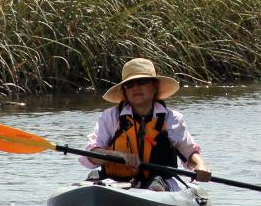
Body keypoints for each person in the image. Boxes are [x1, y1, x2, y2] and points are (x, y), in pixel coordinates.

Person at [79, 58, 211, 191]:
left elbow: (189, 153)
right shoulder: (110, 117)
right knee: (93, 177)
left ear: (155, 86)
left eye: (142, 81)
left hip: (159, 183)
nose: (135, 87)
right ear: (125, 91)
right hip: (115, 184)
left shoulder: (172, 119)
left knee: (156, 184)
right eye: (129, 84)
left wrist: (200, 165)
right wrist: (120, 155)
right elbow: (91, 155)